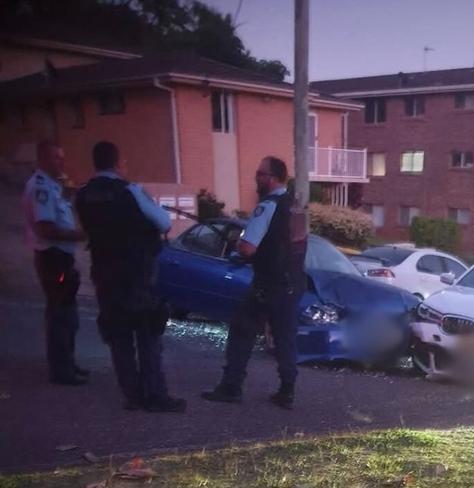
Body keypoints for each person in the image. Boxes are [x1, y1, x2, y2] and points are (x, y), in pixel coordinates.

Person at [75, 141, 185, 413]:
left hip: (104, 274)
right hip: (137, 275)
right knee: (148, 334)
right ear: (117, 162)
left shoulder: (83, 196)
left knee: (118, 336)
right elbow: (164, 223)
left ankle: (132, 395)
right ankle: (155, 395)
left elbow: (87, 231)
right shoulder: (132, 191)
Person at [202, 156, 306, 409]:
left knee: (242, 330)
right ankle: (287, 390)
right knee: (285, 338)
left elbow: (248, 248)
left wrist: (240, 244)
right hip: (293, 282)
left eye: (260, 174)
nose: (256, 178)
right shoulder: (296, 206)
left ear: (272, 178)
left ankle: (231, 386)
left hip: (267, 285)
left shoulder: (266, 207)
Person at [23, 141, 88, 385]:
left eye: (62, 158)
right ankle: (62, 371)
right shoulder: (41, 188)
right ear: (42, 159)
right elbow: (46, 228)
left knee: (67, 313)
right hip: (53, 258)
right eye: (55, 158)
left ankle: (68, 364)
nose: (61, 162)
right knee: (60, 315)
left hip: (61, 258)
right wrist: (81, 235)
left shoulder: (53, 186)